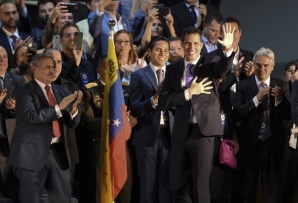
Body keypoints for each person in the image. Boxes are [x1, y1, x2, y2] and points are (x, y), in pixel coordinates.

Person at [158, 24, 234, 203]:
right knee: (175, 186)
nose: (191, 48)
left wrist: (228, 49)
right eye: (187, 44)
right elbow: (163, 101)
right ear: (182, 45)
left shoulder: (210, 63)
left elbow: (223, 67)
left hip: (203, 132)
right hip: (180, 133)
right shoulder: (172, 69)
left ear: (201, 45)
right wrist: (188, 93)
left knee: (201, 187)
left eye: (195, 44)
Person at [8, 53, 82, 203]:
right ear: (35, 69)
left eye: (54, 67)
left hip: (58, 154)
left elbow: (72, 124)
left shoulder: (61, 91)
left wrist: (73, 110)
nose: (53, 71)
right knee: (31, 199)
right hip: (31, 155)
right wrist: (58, 108)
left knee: (63, 199)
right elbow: (32, 116)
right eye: (47, 67)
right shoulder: (24, 91)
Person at [233, 47, 291, 203]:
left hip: (273, 146)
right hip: (250, 145)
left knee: (272, 192)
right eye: (258, 65)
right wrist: (256, 99)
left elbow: (289, 116)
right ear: (253, 64)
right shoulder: (243, 86)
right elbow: (238, 113)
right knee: (247, 191)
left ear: (272, 67)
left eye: (266, 65)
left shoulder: (282, 85)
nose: (262, 69)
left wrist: (279, 100)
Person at [129, 36, 173, 203]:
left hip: (170, 137)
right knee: (147, 187)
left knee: (166, 186)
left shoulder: (175, 74)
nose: (162, 54)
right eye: (158, 50)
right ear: (149, 52)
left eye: (166, 50)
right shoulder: (138, 76)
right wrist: (154, 99)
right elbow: (135, 107)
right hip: (147, 137)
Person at [0, 46, 25, 202]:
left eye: (4, 56)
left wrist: (15, 108)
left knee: (11, 186)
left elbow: (27, 110)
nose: (1, 60)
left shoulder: (17, 80)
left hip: (10, 142)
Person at [218, 17, 254, 103]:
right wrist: (234, 75)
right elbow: (214, 89)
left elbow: (257, 88)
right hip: (222, 107)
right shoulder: (214, 58)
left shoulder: (251, 57)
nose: (232, 35)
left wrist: (252, 76)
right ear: (220, 34)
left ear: (240, 32)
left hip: (245, 107)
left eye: (235, 31)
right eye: (228, 32)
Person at [279, 61, 298, 203]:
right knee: (280, 184)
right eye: (290, 71)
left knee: (291, 184)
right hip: (281, 142)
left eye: (295, 72)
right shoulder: (278, 90)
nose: (292, 75)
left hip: (295, 143)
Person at [59, 22, 96, 89]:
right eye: (68, 36)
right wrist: (76, 65)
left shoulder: (88, 65)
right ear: (61, 41)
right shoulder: (57, 63)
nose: (72, 38)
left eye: (76, 35)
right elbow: (64, 88)